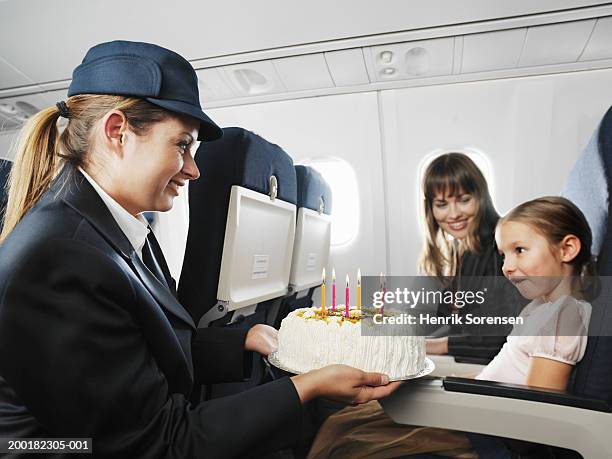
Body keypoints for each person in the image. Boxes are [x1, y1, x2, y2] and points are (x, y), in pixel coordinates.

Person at [0, 40, 399, 458]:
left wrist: (246, 339)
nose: (194, 169)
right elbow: (158, 443)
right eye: (182, 145)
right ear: (117, 132)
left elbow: (142, 349)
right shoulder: (61, 259)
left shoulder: (122, 226)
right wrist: (308, 387)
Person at [307, 196, 594, 458]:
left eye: (519, 250)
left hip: (489, 432)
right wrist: (455, 381)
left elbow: (537, 409)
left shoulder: (563, 316)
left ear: (567, 249)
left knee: (351, 440)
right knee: (345, 421)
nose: (506, 267)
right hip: (481, 412)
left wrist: (456, 396)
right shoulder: (541, 308)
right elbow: (508, 370)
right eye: (504, 255)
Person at [418, 152, 522, 361]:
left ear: (480, 197)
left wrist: (428, 345)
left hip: (492, 362)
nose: (454, 214)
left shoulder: (498, 249)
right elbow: (457, 315)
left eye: (464, 200)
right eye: (441, 204)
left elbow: (496, 339)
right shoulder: (467, 248)